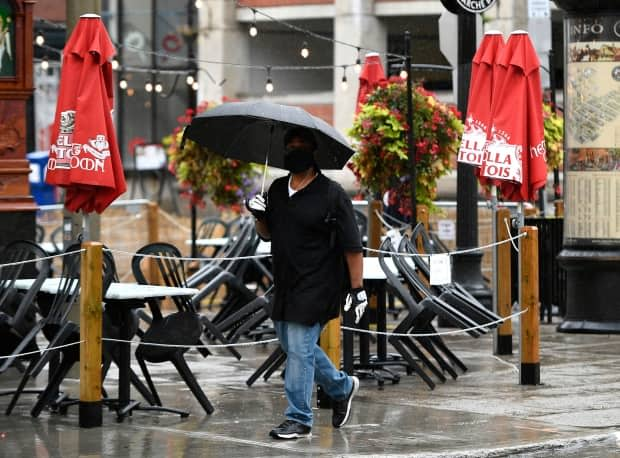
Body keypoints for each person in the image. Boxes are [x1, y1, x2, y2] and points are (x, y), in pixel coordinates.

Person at [246, 126, 368, 440]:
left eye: (301, 145)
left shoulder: (331, 194)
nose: (295, 149)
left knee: (300, 350)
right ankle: (343, 387)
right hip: (286, 281)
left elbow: (352, 246)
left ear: (313, 152)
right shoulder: (275, 189)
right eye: (290, 145)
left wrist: (357, 290)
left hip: (320, 283)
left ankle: (299, 418)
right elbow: (268, 233)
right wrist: (258, 214)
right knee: (295, 347)